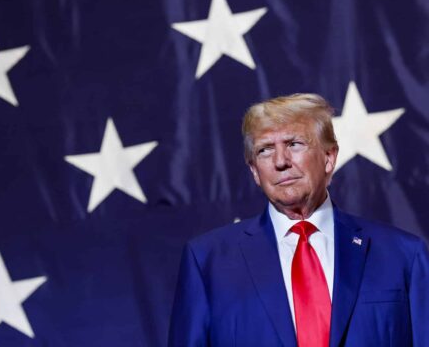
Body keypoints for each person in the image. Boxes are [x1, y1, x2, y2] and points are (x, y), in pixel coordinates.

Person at [168, 93, 429, 346]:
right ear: (255, 172)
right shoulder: (208, 262)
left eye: (294, 144)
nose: (281, 161)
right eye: (265, 150)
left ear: (328, 158)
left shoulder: (402, 255)